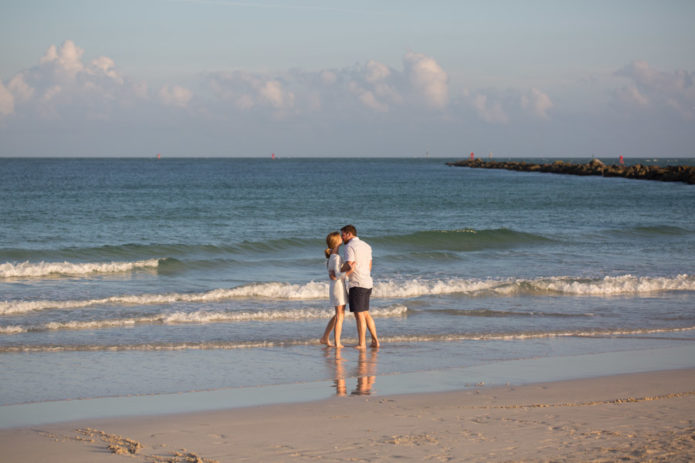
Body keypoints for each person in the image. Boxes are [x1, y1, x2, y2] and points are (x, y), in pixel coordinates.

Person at [340, 225, 379, 349]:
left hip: (357, 283)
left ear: (349, 234)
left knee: (359, 315)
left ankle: (362, 344)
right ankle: (375, 340)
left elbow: (350, 264)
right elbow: (370, 264)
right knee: (366, 313)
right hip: (367, 281)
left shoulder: (349, 246)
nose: (342, 238)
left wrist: (339, 269)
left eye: (343, 235)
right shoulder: (366, 245)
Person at [320, 232, 347, 348]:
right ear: (336, 241)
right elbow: (337, 274)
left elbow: (333, 274)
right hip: (338, 287)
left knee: (338, 314)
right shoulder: (336, 257)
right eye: (340, 237)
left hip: (336, 286)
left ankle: (325, 337)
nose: (342, 237)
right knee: (340, 315)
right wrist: (350, 271)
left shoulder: (332, 256)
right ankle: (337, 342)